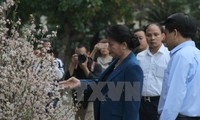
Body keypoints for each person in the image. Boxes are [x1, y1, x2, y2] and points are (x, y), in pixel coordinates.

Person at [60, 24, 144, 120]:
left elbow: (132, 108)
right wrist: (79, 83)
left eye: (111, 45)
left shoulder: (132, 67)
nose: (108, 48)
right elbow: (102, 85)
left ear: (124, 45)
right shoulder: (117, 61)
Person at [158, 13, 200, 120]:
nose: (164, 39)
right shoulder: (197, 53)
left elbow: (175, 94)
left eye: (166, 34)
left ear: (175, 33)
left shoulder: (181, 56)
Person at [136, 23, 170, 120]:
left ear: (163, 36)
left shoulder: (169, 56)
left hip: (159, 103)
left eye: (156, 34)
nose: (152, 38)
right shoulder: (139, 57)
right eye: (149, 35)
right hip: (141, 104)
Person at [64, 43, 102, 120]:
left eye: (81, 54)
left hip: (92, 97)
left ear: (88, 54)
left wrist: (84, 67)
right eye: (77, 54)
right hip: (79, 98)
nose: (79, 56)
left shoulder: (95, 66)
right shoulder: (75, 66)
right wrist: (72, 64)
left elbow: (96, 81)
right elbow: (67, 79)